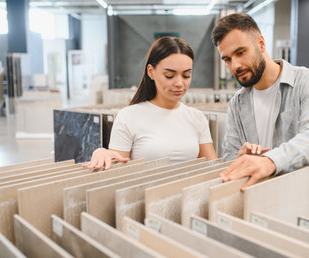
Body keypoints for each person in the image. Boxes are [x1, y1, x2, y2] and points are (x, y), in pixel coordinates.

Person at [211, 13, 309, 191]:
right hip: (263, 203)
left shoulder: (308, 82)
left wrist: (269, 161)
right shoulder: (237, 104)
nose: (235, 65)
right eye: (228, 59)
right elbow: (230, 158)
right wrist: (240, 158)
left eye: (240, 52)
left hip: (307, 200)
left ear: (261, 43)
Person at [83, 36, 217, 170]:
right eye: (169, 75)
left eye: (186, 75)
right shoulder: (128, 117)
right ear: (151, 72)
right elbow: (116, 169)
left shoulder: (197, 118)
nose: (179, 83)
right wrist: (101, 153)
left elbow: (212, 168)